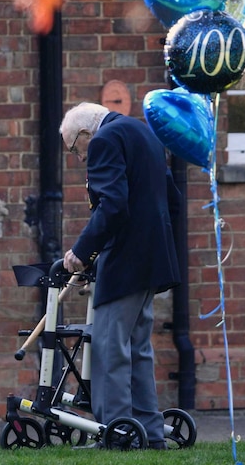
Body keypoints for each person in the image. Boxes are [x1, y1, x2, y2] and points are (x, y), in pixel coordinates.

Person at [59, 102, 181, 450]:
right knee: (138, 349)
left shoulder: (104, 140)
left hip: (126, 262)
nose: (80, 158)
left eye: (75, 149)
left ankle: (116, 434)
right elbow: (172, 199)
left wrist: (81, 252)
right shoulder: (144, 132)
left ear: (85, 134)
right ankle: (149, 432)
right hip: (153, 259)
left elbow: (112, 205)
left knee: (110, 350)